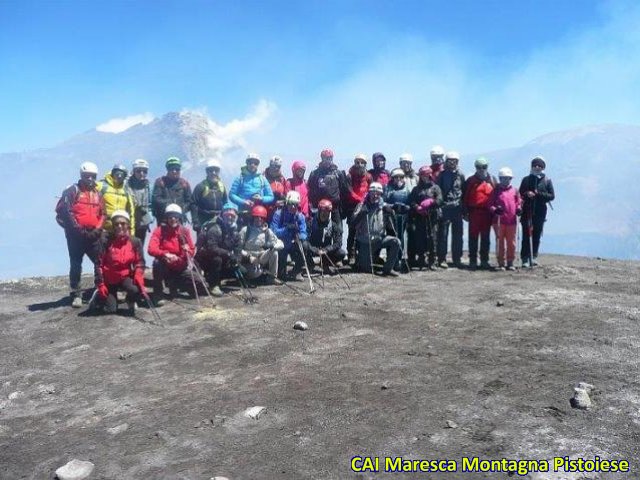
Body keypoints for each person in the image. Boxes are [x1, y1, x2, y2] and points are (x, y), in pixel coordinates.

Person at [56, 162, 106, 308]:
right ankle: (76, 294)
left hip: (93, 234)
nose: (89, 178)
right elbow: (67, 212)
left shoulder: (97, 193)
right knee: (76, 264)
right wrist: (78, 230)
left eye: (92, 176)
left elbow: (103, 214)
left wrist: (98, 229)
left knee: (99, 262)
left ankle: (100, 289)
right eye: (86, 176)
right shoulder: (73, 190)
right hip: (75, 236)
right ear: (81, 175)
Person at [92, 211, 146, 315]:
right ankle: (98, 297)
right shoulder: (105, 241)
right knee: (111, 310)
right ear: (113, 226)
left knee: (135, 289)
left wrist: (139, 274)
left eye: (123, 223)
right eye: (116, 224)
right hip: (109, 279)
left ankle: (130, 300)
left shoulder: (135, 242)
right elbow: (98, 263)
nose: (120, 226)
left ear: (128, 225)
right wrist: (100, 283)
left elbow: (140, 262)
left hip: (124, 277)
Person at [147, 204, 195, 306]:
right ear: (166, 218)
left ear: (179, 218)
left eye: (176, 217)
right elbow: (151, 249)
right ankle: (158, 294)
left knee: (199, 287)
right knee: (157, 263)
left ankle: (176, 284)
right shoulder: (159, 230)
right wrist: (165, 254)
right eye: (170, 217)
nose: (173, 219)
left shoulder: (184, 231)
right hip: (165, 265)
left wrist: (185, 253)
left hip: (180, 266)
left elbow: (191, 250)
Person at [352, 182, 400, 276]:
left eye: (378, 193)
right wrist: (361, 214)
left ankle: (388, 269)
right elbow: (352, 224)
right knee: (365, 270)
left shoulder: (384, 206)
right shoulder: (361, 205)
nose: (375, 195)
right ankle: (361, 261)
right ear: (369, 193)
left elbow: (391, 227)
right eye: (373, 192)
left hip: (379, 239)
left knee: (396, 241)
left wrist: (391, 214)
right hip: (365, 241)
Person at [195, 202, 241, 297]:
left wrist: (236, 260)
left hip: (223, 258)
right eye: (227, 215)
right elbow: (212, 248)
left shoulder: (235, 232)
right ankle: (213, 284)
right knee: (217, 259)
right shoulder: (215, 228)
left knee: (241, 269)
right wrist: (228, 254)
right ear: (222, 215)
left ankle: (218, 278)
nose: (230, 217)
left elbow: (238, 249)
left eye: (232, 215)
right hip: (207, 259)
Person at [519, 156, 555, 267]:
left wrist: (537, 194)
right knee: (526, 235)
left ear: (543, 167)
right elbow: (520, 194)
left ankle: (533, 257)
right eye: (535, 165)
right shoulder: (526, 179)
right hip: (527, 211)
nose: (537, 167)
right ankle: (524, 258)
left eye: (539, 165)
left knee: (536, 235)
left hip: (540, 212)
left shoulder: (547, 181)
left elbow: (551, 196)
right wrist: (527, 194)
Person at [463, 157, 497, 270]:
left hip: (487, 213)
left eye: (484, 167)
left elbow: (496, 196)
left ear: (487, 167)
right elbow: (465, 197)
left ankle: (484, 260)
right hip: (474, 212)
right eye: (479, 167)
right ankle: (473, 260)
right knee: (473, 237)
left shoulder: (492, 180)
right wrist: (465, 212)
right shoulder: (470, 181)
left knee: (485, 238)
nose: (481, 169)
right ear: (475, 167)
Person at [408, 166, 443, 270]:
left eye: (426, 175)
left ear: (430, 175)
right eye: (423, 175)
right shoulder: (416, 189)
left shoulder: (435, 188)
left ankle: (432, 261)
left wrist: (432, 201)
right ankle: (421, 259)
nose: (425, 177)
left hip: (433, 217)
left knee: (433, 238)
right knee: (420, 238)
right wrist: (417, 207)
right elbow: (411, 201)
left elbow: (440, 200)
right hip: (420, 217)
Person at [238, 205, 283, 283]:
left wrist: (272, 246)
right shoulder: (245, 230)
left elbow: (281, 244)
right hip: (249, 259)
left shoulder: (268, 231)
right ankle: (256, 274)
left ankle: (272, 277)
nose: (259, 219)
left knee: (274, 252)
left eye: (261, 218)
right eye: (256, 217)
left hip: (262, 257)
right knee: (256, 274)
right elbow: (237, 248)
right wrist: (248, 257)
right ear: (253, 218)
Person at [436, 151, 465, 268]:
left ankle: (457, 258)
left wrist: (464, 209)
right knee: (443, 234)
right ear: (446, 162)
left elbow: (464, 191)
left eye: (455, 161)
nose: (452, 163)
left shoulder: (461, 175)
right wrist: (439, 206)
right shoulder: (442, 175)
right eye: (450, 161)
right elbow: (437, 191)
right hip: (445, 208)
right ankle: (442, 258)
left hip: (457, 208)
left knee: (458, 235)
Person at [489, 168, 522, 271]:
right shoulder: (495, 191)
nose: (505, 180)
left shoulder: (515, 190)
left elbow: (518, 202)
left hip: (511, 221)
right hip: (498, 221)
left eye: (507, 178)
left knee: (511, 242)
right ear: (500, 179)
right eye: (503, 178)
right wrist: (495, 210)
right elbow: (490, 204)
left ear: (510, 179)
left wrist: (519, 209)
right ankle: (501, 263)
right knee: (500, 242)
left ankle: (510, 262)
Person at [271, 191, 308, 280]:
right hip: (282, 243)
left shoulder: (300, 216)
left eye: (295, 204)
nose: (293, 207)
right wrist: (286, 230)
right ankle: (280, 271)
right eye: (291, 204)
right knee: (282, 276)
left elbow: (304, 233)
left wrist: (299, 236)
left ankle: (297, 271)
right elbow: (274, 231)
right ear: (286, 203)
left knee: (305, 245)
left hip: (293, 243)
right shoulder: (278, 214)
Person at [308, 148, 350, 225]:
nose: (328, 160)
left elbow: (344, 191)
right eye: (326, 158)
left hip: (335, 208)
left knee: (338, 231)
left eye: (330, 158)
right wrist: (312, 207)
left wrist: (343, 209)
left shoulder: (338, 173)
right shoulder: (314, 174)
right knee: (318, 232)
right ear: (322, 158)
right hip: (320, 208)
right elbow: (310, 190)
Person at [229, 153, 274, 224]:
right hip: (243, 213)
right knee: (242, 234)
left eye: (255, 163)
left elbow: (271, 197)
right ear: (247, 163)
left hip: (258, 214)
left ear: (258, 164)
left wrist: (261, 199)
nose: (252, 165)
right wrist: (243, 202)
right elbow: (231, 195)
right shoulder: (240, 178)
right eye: (250, 162)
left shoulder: (262, 178)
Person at [343, 154, 372, 263]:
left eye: (362, 162)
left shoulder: (368, 176)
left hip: (364, 206)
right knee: (352, 231)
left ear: (365, 164)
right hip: (352, 206)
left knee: (363, 230)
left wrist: (365, 201)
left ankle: (361, 254)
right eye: (357, 162)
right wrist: (360, 199)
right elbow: (349, 191)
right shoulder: (349, 176)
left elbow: (370, 190)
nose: (359, 164)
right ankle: (351, 254)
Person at [306, 199, 347, 271]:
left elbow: (338, 243)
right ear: (319, 211)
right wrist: (315, 250)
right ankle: (310, 263)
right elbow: (305, 240)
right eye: (322, 211)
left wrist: (326, 250)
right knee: (304, 247)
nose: (324, 214)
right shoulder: (311, 223)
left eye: (327, 212)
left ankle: (325, 264)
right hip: (312, 249)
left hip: (325, 251)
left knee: (341, 253)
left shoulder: (334, 225)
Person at [151, 157, 194, 224]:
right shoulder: (160, 182)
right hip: (163, 219)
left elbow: (190, 201)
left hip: (179, 219)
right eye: (171, 169)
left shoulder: (184, 183)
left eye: (177, 169)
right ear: (167, 170)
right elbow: (156, 199)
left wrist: (181, 209)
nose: (174, 171)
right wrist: (170, 207)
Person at [384, 168, 412, 272]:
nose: (399, 179)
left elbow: (411, 202)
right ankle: (391, 260)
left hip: (403, 217)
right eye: (396, 177)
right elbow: (383, 202)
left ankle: (399, 260)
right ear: (393, 178)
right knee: (391, 237)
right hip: (391, 217)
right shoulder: (388, 188)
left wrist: (407, 207)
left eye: (401, 177)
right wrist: (392, 206)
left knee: (401, 237)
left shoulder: (407, 189)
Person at [191, 159, 228, 233]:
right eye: (211, 170)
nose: (213, 173)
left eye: (216, 171)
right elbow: (193, 203)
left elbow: (225, 203)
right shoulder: (200, 186)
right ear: (207, 172)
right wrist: (195, 221)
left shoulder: (222, 187)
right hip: (203, 219)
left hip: (219, 218)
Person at [98, 164, 135, 236]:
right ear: (112, 173)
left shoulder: (126, 191)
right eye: (117, 174)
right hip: (103, 229)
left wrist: (131, 232)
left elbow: (131, 213)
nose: (119, 176)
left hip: (119, 229)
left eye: (122, 175)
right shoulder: (101, 186)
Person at [126, 158, 153, 244]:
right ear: (134, 171)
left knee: (139, 247)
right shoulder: (126, 184)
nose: (142, 173)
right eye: (139, 171)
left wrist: (150, 217)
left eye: (144, 171)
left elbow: (151, 204)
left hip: (143, 223)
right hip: (129, 223)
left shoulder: (148, 186)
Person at [264, 155, 290, 220]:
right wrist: (274, 203)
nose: (276, 168)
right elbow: (261, 196)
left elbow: (286, 195)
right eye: (274, 166)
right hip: (265, 211)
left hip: (279, 212)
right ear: (270, 165)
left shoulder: (282, 179)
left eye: (278, 166)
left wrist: (283, 200)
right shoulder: (263, 178)